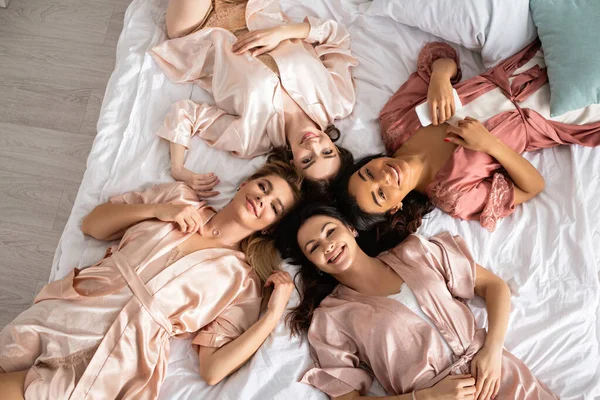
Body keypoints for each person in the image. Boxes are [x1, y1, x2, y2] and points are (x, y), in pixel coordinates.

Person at [0, 155, 302, 400]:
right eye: (263, 187)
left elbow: (212, 370)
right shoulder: (178, 197)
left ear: (271, 227)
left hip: (121, 354)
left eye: (275, 207)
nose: (263, 200)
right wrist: (159, 210)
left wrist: (273, 314)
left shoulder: (242, 282)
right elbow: (93, 224)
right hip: (71, 310)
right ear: (245, 185)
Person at [278, 203, 558, 400]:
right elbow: (347, 399)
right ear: (313, 264)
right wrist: (425, 397)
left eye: (330, 231)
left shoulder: (417, 251)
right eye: (313, 247)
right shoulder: (330, 319)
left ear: (351, 228)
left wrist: (493, 350)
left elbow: (494, 286)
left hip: (498, 375)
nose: (327, 245)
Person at [338, 40, 600, 232]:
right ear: (394, 208)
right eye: (381, 195)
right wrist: (490, 145)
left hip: (528, 63)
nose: (384, 178)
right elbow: (533, 186)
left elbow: (441, 57)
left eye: (368, 174)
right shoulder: (455, 196)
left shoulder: (397, 121)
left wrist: (440, 78)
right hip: (560, 111)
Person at [150, 0, 357, 199]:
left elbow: (186, 114)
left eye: (308, 159)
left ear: (293, 163)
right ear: (336, 147)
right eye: (327, 151)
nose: (313, 145)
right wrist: (282, 32)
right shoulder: (338, 101)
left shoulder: (251, 139)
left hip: (202, 29)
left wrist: (178, 169)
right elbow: (337, 37)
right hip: (253, 6)